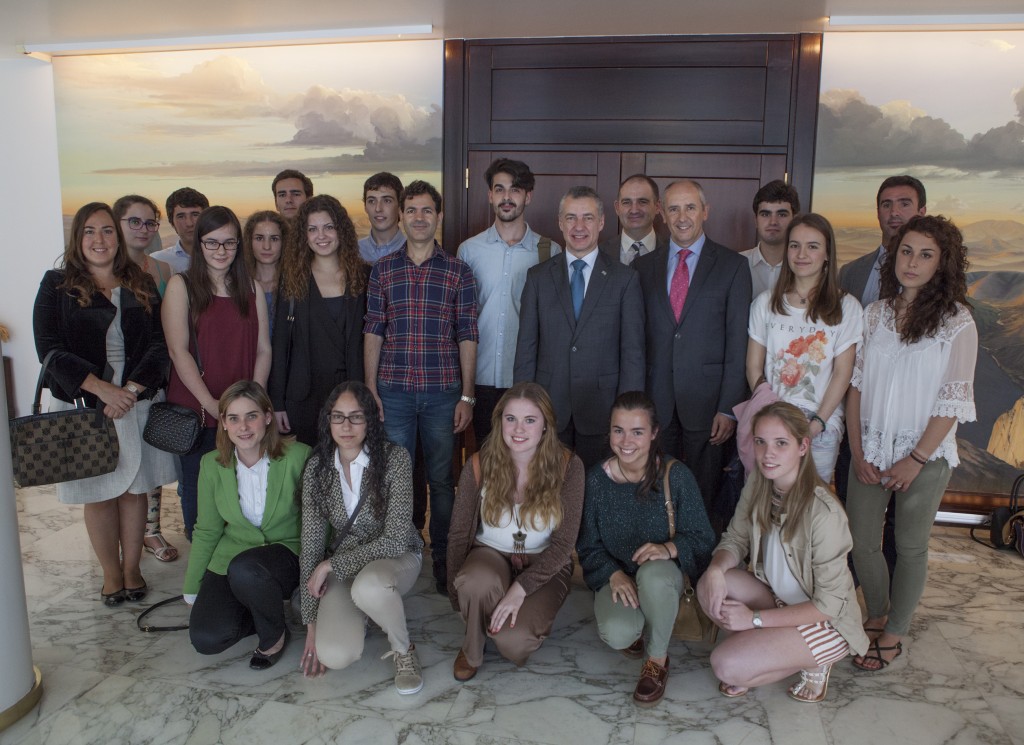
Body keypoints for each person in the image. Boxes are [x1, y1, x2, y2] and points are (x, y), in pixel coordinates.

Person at [847, 215, 977, 671]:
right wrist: (859, 452)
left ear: (942, 264)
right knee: (861, 542)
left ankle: (895, 630)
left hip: (924, 455)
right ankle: (878, 612)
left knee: (911, 545)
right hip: (871, 448)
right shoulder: (873, 315)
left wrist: (916, 458)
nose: (913, 262)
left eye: (926, 255)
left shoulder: (957, 323)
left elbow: (952, 400)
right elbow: (855, 387)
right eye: (906, 251)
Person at [33, 202, 176, 605]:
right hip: (85, 403)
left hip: (135, 400)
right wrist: (101, 389)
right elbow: (49, 349)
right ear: (78, 238)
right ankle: (111, 575)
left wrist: (129, 391)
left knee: (134, 491)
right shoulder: (56, 284)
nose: (100, 240)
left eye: (108, 231)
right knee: (98, 491)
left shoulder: (141, 283)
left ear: (118, 235)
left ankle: (132, 570)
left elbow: (158, 344)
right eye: (90, 231)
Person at [697, 402, 868, 702]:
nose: (768, 454)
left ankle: (816, 660)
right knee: (710, 584)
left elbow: (827, 606)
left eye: (781, 443)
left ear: (803, 446)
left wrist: (754, 620)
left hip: (826, 620)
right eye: (761, 442)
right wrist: (715, 569)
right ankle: (768, 648)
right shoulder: (759, 482)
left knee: (726, 665)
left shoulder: (824, 514)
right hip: (780, 600)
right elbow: (735, 538)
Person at [364, 179, 478, 593]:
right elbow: (374, 330)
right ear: (401, 216)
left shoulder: (458, 271)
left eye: (426, 210)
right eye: (411, 210)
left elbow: (467, 333)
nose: (418, 217)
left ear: (438, 216)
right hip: (393, 391)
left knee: (441, 480)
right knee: (397, 477)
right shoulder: (383, 270)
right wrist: (371, 389)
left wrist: (467, 394)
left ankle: (445, 560)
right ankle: (403, 553)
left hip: (442, 392)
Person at [577, 391, 715, 707]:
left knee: (652, 575)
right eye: (618, 430)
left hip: (662, 575)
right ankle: (641, 626)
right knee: (617, 633)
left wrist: (670, 548)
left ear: (653, 434)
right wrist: (612, 574)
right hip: (620, 577)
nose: (626, 441)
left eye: (637, 431)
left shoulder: (675, 476)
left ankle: (657, 659)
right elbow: (587, 545)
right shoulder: (596, 480)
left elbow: (704, 539)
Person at [633, 179, 751, 530]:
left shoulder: (732, 266)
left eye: (690, 207)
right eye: (673, 208)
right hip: (657, 401)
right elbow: (638, 341)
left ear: (705, 212)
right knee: (655, 487)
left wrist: (728, 407)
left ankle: (702, 566)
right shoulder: (642, 269)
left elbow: (737, 344)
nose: (682, 216)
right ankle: (662, 557)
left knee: (705, 491)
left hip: (709, 403)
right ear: (662, 214)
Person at [447, 382, 585, 681]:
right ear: (499, 423)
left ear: (546, 425)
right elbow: (458, 534)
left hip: (544, 562)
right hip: (489, 555)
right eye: (510, 419)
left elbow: (563, 545)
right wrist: (457, 595)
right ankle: (471, 648)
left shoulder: (568, 466)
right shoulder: (479, 464)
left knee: (514, 643)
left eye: (530, 420)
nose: (518, 429)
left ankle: (496, 613)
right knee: (474, 582)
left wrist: (518, 590)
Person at [298, 382, 425, 694]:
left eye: (356, 417)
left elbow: (395, 540)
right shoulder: (317, 467)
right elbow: (311, 546)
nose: (346, 426)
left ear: (371, 419)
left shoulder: (395, 459)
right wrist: (311, 626)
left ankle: (403, 650)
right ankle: (366, 611)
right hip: (346, 565)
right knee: (336, 654)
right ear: (327, 421)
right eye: (338, 417)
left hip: (397, 558)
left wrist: (331, 565)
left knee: (370, 586)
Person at [514, 185, 644, 469]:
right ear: (560, 223)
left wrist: (626, 416)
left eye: (587, 217)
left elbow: (632, 352)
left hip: (603, 409)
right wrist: (524, 409)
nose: (579, 226)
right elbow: (526, 349)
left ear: (601, 222)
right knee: (549, 492)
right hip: (548, 408)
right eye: (571, 218)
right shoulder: (537, 278)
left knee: (597, 492)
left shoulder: (624, 280)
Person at [183, 381, 309, 670]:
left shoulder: (299, 456)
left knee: (247, 568)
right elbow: (207, 529)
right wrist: (192, 586)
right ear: (224, 424)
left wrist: (316, 567)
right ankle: (266, 611)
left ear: (267, 417)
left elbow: (318, 520)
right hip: (232, 555)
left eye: (251, 416)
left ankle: (273, 637)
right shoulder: (211, 464)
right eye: (233, 418)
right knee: (206, 638)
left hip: (285, 553)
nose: (244, 426)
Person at [163, 206, 272, 540]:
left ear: (239, 245)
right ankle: (203, 573)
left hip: (243, 414)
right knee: (200, 495)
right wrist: (211, 404)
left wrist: (252, 403)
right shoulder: (181, 286)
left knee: (243, 492)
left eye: (229, 243)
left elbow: (264, 349)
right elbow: (177, 350)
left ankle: (237, 565)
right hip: (199, 409)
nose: (221, 251)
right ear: (199, 244)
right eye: (212, 243)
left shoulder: (251, 289)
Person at [745, 213, 862, 481]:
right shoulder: (765, 304)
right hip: (772, 419)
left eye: (812, 246)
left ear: (827, 254)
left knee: (809, 509)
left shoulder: (847, 307)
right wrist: (771, 416)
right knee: (767, 509)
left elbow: (843, 373)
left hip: (820, 424)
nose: (802, 254)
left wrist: (817, 424)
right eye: (795, 245)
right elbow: (753, 366)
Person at [458, 158, 560, 444]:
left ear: (528, 196)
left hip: (528, 381)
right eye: (499, 189)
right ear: (490, 195)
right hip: (480, 378)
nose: (506, 197)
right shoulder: (469, 251)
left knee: (528, 466)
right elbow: (462, 320)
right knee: (486, 463)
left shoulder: (549, 251)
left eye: (514, 190)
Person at [269, 195, 367, 447]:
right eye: (312, 229)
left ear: (341, 230)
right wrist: (277, 403)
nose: (321, 235)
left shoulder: (365, 276)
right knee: (306, 473)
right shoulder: (292, 278)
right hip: (303, 397)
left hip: (351, 395)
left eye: (328, 227)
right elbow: (280, 345)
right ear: (304, 235)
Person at [112, 194, 179, 563]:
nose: (143, 229)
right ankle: (120, 540)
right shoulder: (104, 269)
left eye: (149, 222)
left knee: (150, 460)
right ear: (118, 224)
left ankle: (150, 530)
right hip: (115, 384)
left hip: (155, 378)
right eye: (133, 221)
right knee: (117, 465)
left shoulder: (163, 270)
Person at [740, 180, 801, 298]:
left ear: (795, 220)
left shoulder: (806, 266)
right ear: (755, 220)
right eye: (765, 214)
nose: (773, 222)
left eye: (782, 214)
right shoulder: (735, 264)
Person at [598, 174, 666, 266]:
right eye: (627, 202)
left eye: (642, 202)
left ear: (657, 206)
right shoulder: (599, 253)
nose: (634, 210)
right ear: (617, 208)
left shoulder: (672, 251)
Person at [243, 210, 288, 337]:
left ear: (284, 242)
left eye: (274, 239)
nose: (266, 246)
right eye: (259, 238)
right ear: (249, 241)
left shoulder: (296, 286)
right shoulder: (239, 285)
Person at [151, 187, 209, 274]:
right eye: (181, 216)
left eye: (195, 215)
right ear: (172, 223)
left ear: (206, 218)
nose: (189, 223)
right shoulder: (157, 261)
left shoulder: (223, 258)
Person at [358, 172, 406, 263]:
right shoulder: (354, 252)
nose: (378, 208)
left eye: (387, 201)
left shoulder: (415, 253)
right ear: (365, 207)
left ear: (400, 206)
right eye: (371, 201)